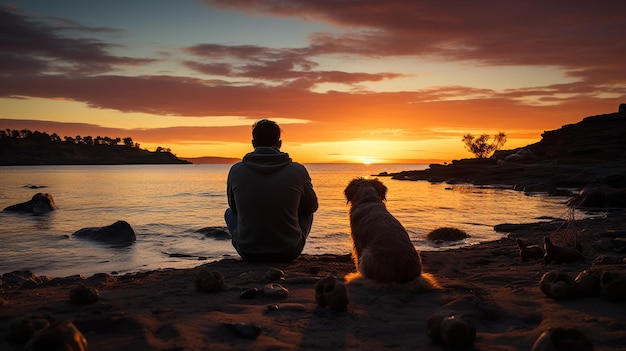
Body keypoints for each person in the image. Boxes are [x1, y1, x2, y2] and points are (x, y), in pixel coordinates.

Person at [225, 119, 318, 262]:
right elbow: (312, 207)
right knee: (307, 213)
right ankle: (286, 240)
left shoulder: (236, 171)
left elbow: (235, 209)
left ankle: (250, 241)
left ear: (253, 143)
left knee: (229, 213)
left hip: (248, 252)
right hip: (288, 251)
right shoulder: (297, 170)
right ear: (279, 144)